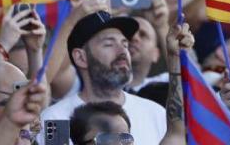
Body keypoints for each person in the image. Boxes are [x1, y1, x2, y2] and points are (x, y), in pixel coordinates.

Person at [38, 11, 166, 145]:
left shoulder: (155, 113)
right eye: (109, 44)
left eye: (125, 44)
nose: (123, 52)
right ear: (81, 57)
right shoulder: (55, 120)